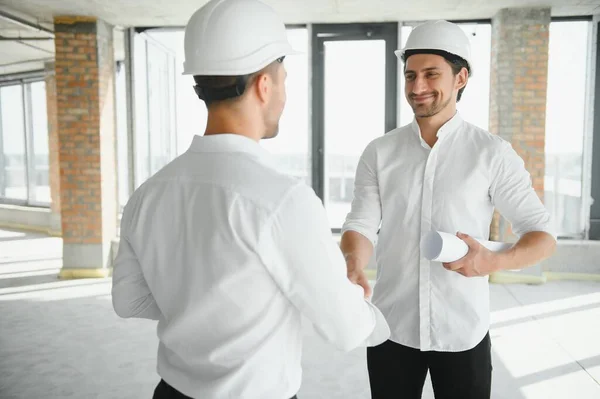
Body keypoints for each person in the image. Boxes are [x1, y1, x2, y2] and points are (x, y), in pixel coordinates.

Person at [111, 0, 390, 398]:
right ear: (264, 84)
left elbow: (128, 300)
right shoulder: (283, 200)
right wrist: (364, 305)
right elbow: (347, 328)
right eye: (284, 79)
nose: (284, 93)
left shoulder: (147, 194)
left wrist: (202, 305)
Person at [340, 20, 556, 399]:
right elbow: (361, 222)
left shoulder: (491, 153)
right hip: (392, 327)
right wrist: (354, 264)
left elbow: (541, 234)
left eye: (430, 74)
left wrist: (493, 262)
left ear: (460, 78)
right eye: (410, 76)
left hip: (462, 332)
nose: (417, 87)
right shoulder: (380, 152)